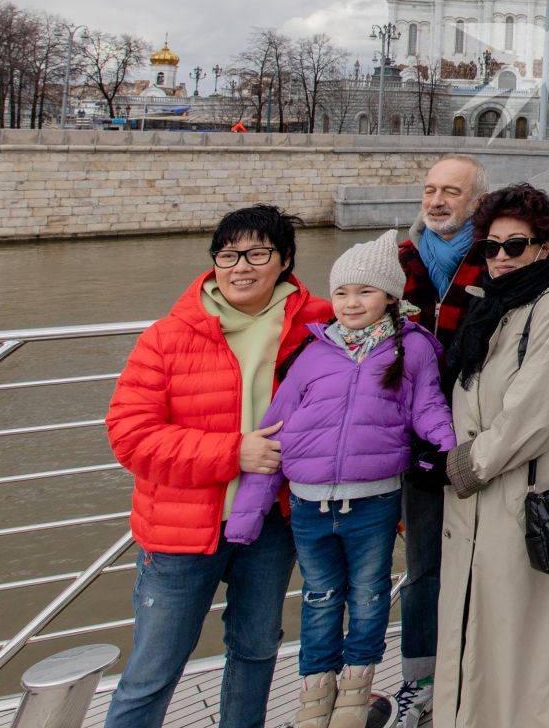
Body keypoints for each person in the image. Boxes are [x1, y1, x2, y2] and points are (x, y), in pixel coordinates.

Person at [103, 205, 334, 728]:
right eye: (227, 255)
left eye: (257, 253)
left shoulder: (320, 324)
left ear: (286, 260)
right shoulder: (168, 337)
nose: (240, 267)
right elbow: (130, 436)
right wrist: (233, 452)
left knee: (255, 651)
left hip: (273, 525)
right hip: (181, 532)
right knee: (152, 670)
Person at [225, 230, 457, 728]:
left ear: (392, 297)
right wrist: (246, 516)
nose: (352, 303)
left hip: (373, 501)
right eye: (342, 293)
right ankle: (315, 701)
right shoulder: (313, 355)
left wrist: (451, 454)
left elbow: (429, 409)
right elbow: (274, 434)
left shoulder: (411, 350)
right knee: (320, 597)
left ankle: (355, 696)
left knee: (371, 594)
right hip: (309, 505)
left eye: (365, 291)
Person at [436, 183, 549, 728]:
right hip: (480, 505)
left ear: (544, 248)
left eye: (516, 245)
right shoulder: (491, 309)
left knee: (531, 641)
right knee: (480, 631)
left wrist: (461, 466)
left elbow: (529, 419)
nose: (501, 258)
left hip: (526, 498)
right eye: (491, 246)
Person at [388, 155, 487, 726]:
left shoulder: (500, 258)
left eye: (452, 191)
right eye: (429, 189)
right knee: (424, 566)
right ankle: (420, 681)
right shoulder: (396, 262)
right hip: (417, 444)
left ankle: (480, 668)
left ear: (476, 202)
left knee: (489, 559)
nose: (437, 200)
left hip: (484, 440)